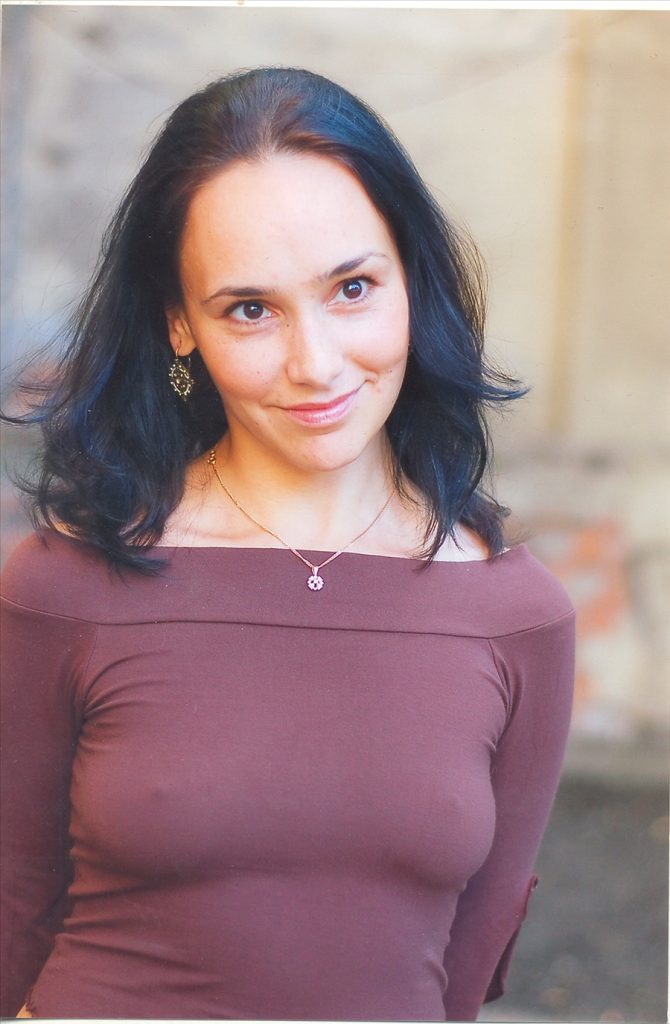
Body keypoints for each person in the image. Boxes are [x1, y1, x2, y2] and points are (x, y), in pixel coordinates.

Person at [0, 67, 575, 1022]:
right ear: (180, 324)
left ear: (411, 282)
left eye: (352, 288)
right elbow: (13, 898)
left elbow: (471, 955)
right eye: (250, 309)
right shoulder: (66, 585)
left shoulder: (517, 615)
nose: (315, 364)